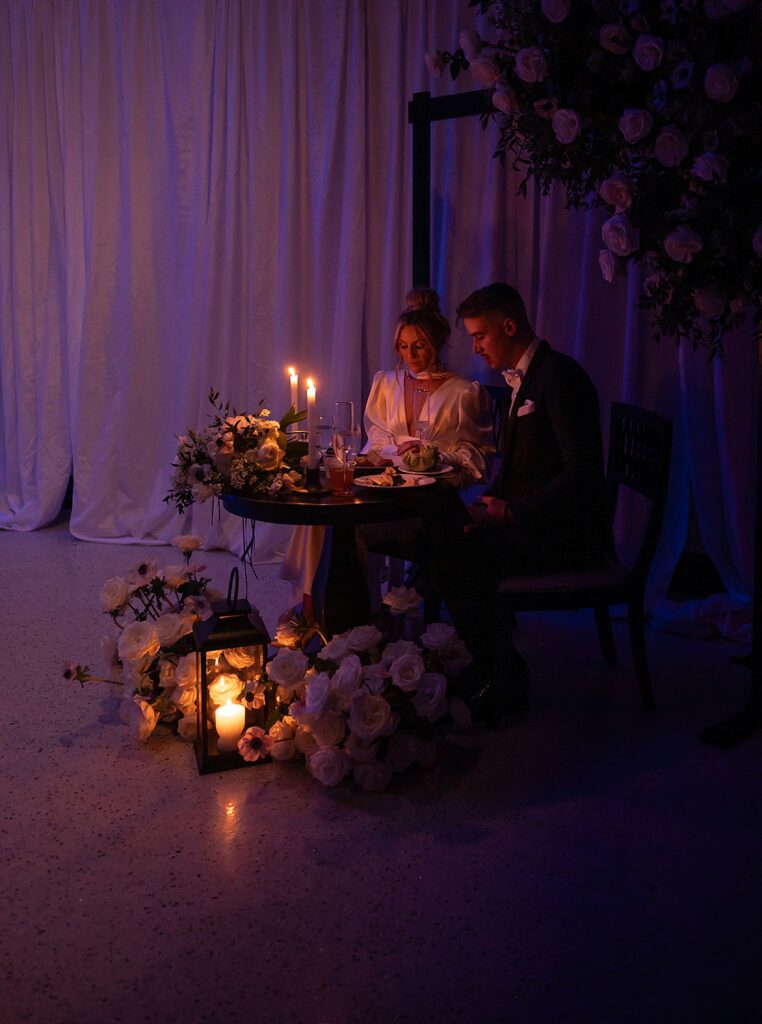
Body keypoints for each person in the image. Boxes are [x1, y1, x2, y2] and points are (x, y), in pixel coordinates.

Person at [424, 282, 609, 718]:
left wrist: (512, 512)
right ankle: (491, 662)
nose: (474, 348)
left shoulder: (561, 378)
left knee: (457, 557)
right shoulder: (520, 380)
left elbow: (582, 476)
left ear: (509, 326)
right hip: (529, 521)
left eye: (480, 336)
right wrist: (489, 502)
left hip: (563, 535)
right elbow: (519, 471)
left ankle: (501, 674)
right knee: (440, 528)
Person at [278, 289, 494, 618]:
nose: (412, 355)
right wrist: (373, 458)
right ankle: (317, 610)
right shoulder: (387, 384)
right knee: (319, 518)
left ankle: (339, 615)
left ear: (438, 342)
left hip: (425, 506)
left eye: (419, 346)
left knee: (341, 526)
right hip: (380, 492)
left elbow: (478, 462)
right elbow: (376, 442)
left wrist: (436, 456)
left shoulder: (464, 393)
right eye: (404, 347)